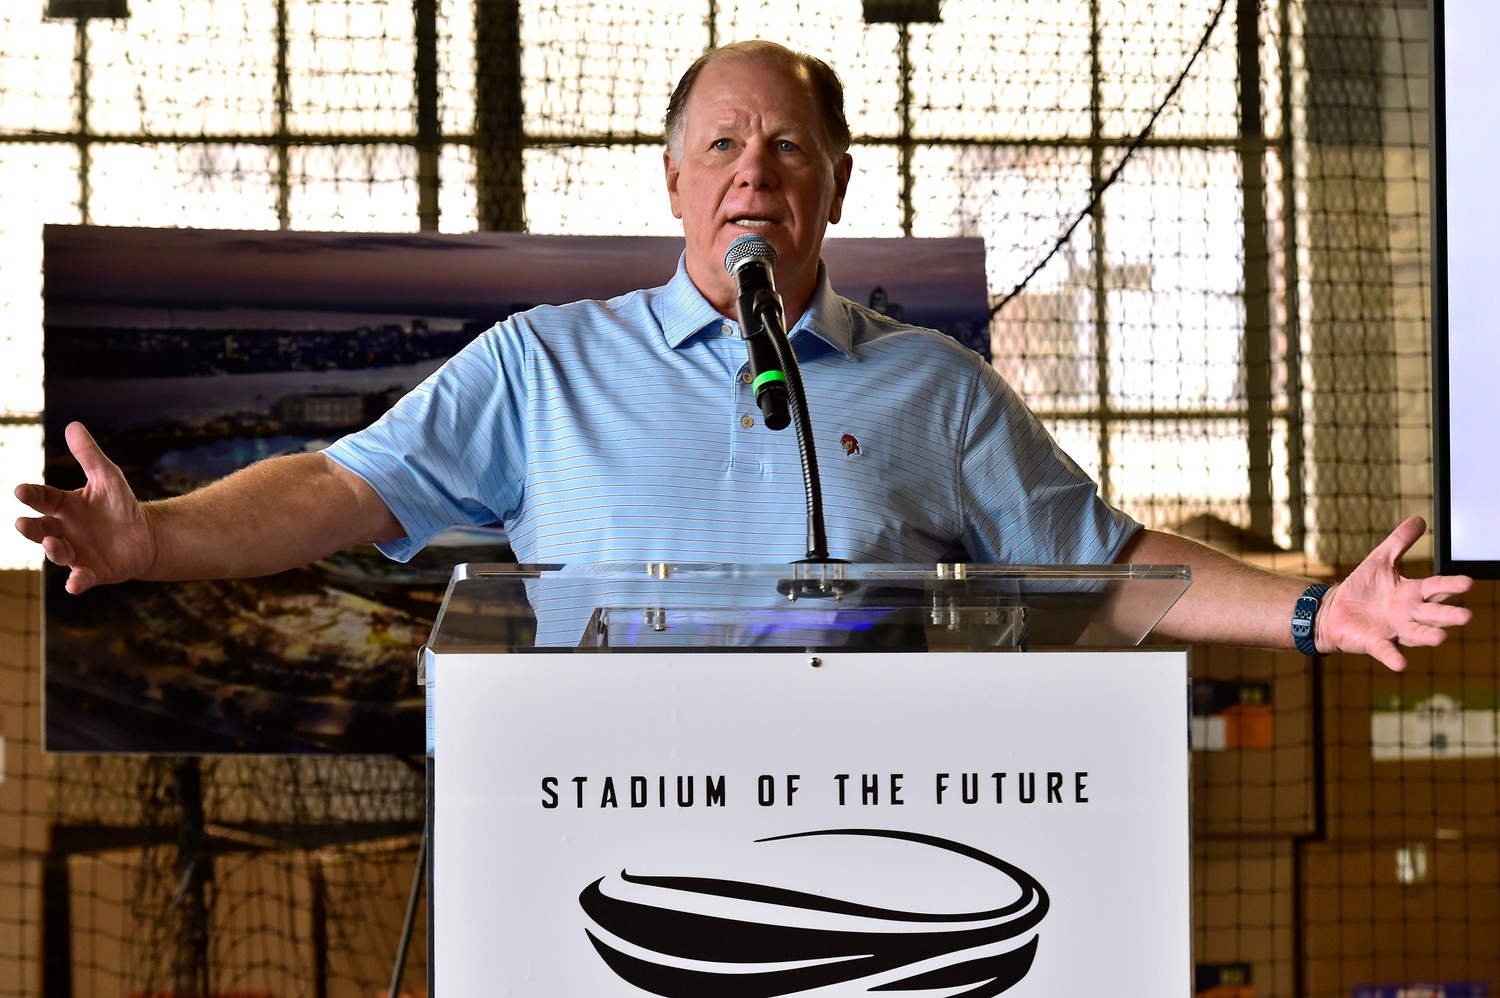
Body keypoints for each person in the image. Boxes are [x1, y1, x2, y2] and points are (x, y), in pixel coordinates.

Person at [12, 41, 1472, 671]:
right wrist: (156, 542)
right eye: (720, 143)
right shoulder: (539, 365)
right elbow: (338, 490)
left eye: (785, 145)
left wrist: (1303, 613)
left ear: (833, 185)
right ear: (673, 185)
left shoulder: (934, 388)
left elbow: (1100, 562)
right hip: (581, 845)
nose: (750, 168)